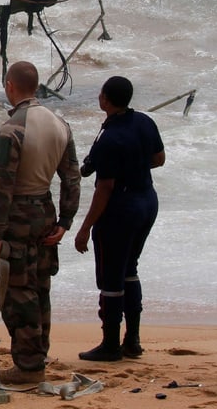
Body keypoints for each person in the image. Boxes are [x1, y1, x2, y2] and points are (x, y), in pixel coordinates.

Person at [0, 61, 81, 384]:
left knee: (17, 290)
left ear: (10, 86)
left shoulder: (11, 130)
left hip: (17, 217)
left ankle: (28, 365)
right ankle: (37, 354)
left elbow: (2, 187)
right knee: (40, 286)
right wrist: (66, 220)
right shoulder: (60, 124)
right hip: (46, 211)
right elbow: (72, 177)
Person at [73, 76, 164, 362]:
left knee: (111, 277)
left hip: (121, 208)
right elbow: (159, 158)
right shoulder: (145, 122)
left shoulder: (109, 138)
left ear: (105, 100)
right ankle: (132, 340)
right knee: (129, 268)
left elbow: (105, 188)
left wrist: (84, 228)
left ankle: (111, 344)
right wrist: (133, 166)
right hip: (147, 201)